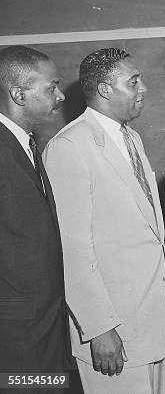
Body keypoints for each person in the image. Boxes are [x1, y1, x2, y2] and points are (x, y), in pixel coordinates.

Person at [42, 48, 165, 394]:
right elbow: (72, 249)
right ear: (104, 90)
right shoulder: (70, 145)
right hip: (112, 332)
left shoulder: (131, 138)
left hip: (149, 324)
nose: (143, 88)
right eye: (133, 82)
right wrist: (100, 328)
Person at [0, 46, 69, 390]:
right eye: (51, 87)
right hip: (14, 335)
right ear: (18, 94)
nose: (60, 95)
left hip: (45, 327)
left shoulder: (26, 144)